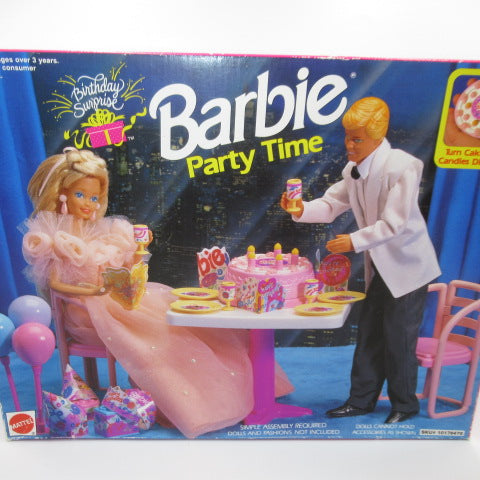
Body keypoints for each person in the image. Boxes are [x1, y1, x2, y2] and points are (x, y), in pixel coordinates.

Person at [23, 147, 293, 438]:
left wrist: (138, 253)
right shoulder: (53, 238)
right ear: (61, 194)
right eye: (80, 195)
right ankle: (191, 404)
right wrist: (93, 290)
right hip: (86, 311)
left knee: (182, 315)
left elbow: (123, 269)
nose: (89, 204)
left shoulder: (102, 230)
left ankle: (246, 389)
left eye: (94, 197)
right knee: (160, 331)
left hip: (114, 298)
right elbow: (55, 284)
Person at [281, 97, 441, 423]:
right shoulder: (352, 170)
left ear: (377, 137)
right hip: (380, 266)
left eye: (357, 139)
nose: (349, 145)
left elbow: (394, 224)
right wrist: (301, 209)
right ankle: (361, 400)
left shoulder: (402, 167)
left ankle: (404, 405)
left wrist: (352, 241)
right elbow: (330, 205)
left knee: (399, 337)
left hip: (408, 266)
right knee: (369, 334)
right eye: (347, 137)